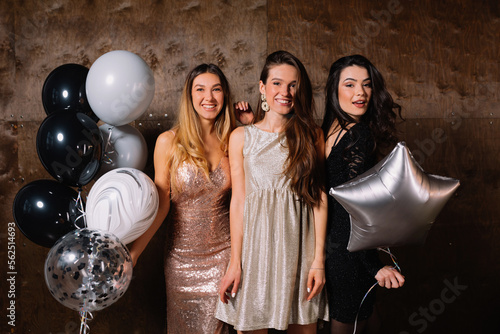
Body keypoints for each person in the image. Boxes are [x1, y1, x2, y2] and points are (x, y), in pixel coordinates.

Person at [216, 50, 329, 333]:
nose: (286, 91)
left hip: (300, 252)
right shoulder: (241, 137)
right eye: (277, 83)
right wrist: (235, 263)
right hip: (256, 251)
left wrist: (318, 261)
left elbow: (319, 199)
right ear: (262, 87)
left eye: (293, 85)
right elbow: (239, 202)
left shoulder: (312, 135)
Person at [129, 63, 243, 334]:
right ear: (189, 96)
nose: (209, 97)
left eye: (216, 90)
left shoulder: (235, 139)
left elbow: (247, 197)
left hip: (224, 256)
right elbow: (161, 204)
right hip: (180, 260)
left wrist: (250, 124)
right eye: (200, 89)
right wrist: (133, 253)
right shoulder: (169, 142)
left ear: (225, 95)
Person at [321, 55, 405, 334]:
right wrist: (373, 266)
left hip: (330, 253)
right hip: (349, 257)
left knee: (364, 319)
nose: (360, 93)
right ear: (334, 90)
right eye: (350, 84)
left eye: (367, 85)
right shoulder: (358, 135)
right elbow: (353, 209)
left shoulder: (325, 132)